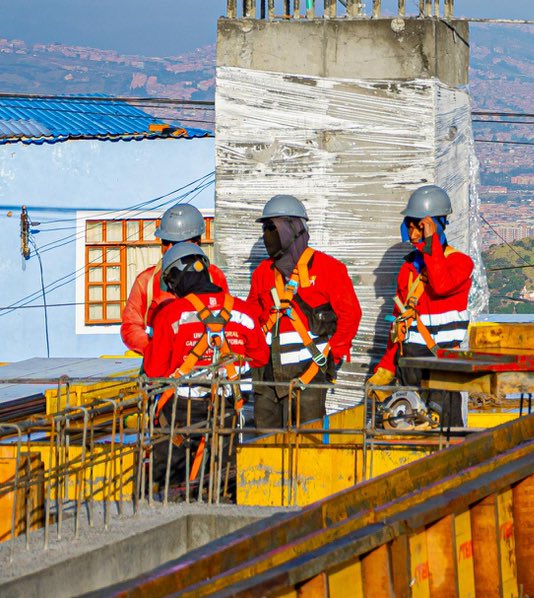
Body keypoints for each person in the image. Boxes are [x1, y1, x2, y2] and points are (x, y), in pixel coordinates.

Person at [141, 242, 266, 499]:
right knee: (227, 488)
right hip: (230, 413)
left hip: (180, 416)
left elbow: (154, 370)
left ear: (177, 277)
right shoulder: (244, 312)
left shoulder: (170, 314)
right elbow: (260, 356)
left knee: (168, 491)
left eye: (171, 282)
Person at [245, 194, 360, 430]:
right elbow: (251, 319)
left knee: (309, 444)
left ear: (293, 228)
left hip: (308, 376)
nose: (267, 235)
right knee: (264, 445)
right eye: (265, 229)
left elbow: (350, 315)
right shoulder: (262, 274)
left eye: (272, 228)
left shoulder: (329, 269)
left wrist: (332, 357)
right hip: (266, 378)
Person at [367, 184, 474, 428]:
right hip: (409, 366)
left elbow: (441, 285)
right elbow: (399, 321)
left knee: (444, 433)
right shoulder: (408, 269)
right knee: (408, 432)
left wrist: (431, 243)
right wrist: (386, 366)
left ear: (434, 226)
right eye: (412, 226)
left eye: (420, 227)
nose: (414, 234)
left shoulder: (460, 263)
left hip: (441, 367)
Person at [120, 202, 205, 355]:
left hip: (203, 365)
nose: (167, 248)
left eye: (175, 243)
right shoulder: (146, 281)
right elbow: (130, 326)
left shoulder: (214, 277)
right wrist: (155, 350)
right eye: (165, 242)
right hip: (160, 367)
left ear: (196, 242)